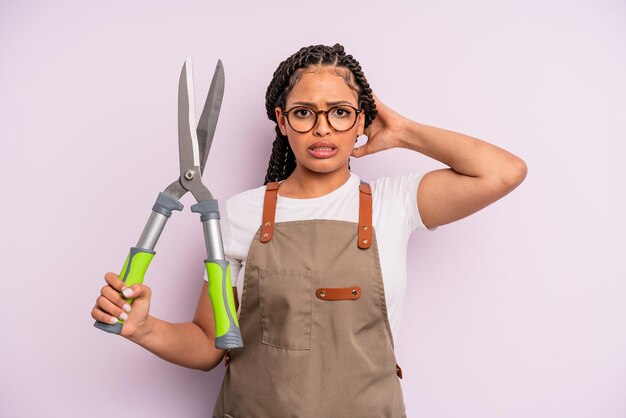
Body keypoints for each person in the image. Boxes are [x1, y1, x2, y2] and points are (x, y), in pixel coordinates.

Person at [91, 43, 527, 417]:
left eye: (340, 112)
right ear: (282, 121)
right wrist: (142, 328)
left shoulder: (395, 203)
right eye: (304, 113)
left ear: (362, 121)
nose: (322, 127)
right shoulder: (240, 213)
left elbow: (503, 172)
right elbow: (209, 344)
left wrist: (403, 131)